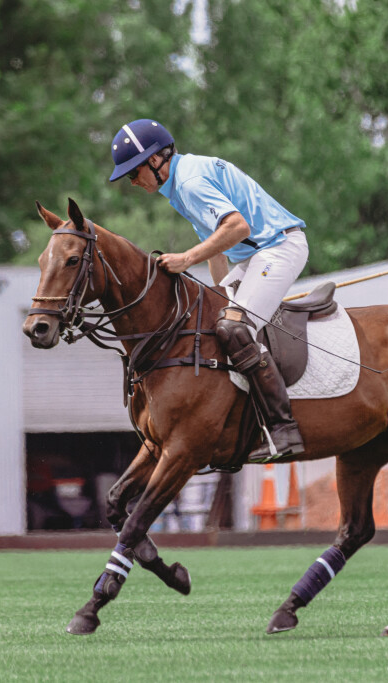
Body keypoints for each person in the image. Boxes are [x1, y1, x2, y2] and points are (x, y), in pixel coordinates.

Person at [108, 118, 308, 463]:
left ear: (155, 160)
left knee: (234, 328)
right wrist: (218, 294)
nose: (132, 181)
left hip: (278, 247)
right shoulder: (180, 184)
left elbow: (237, 227)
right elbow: (218, 248)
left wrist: (186, 258)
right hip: (255, 256)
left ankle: (283, 428)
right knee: (211, 317)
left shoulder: (189, 183)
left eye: (133, 172)